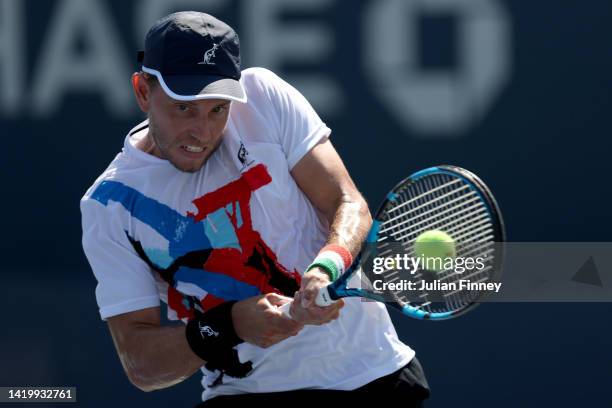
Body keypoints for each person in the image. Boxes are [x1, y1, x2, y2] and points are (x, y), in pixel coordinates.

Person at [80, 11, 430, 407]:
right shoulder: (108, 205)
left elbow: (346, 202)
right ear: (143, 91)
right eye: (185, 109)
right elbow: (141, 365)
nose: (203, 132)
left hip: (376, 380)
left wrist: (327, 267)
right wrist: (228, 326)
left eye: (218, 110)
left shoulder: (263, 96)